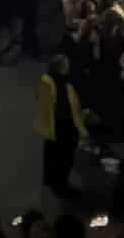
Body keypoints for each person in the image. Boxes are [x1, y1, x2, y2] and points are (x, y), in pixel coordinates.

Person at [37, 55, 87, 198]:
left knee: (51, 154)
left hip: (51, 126)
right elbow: (69, 109)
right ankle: (60, 185)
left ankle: (50, 180)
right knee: (64, 157)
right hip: (63, 127)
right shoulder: (65, 86)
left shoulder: (47, 80)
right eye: (66, 65)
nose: (68, 67)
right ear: (61, 68)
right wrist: (81, 128)